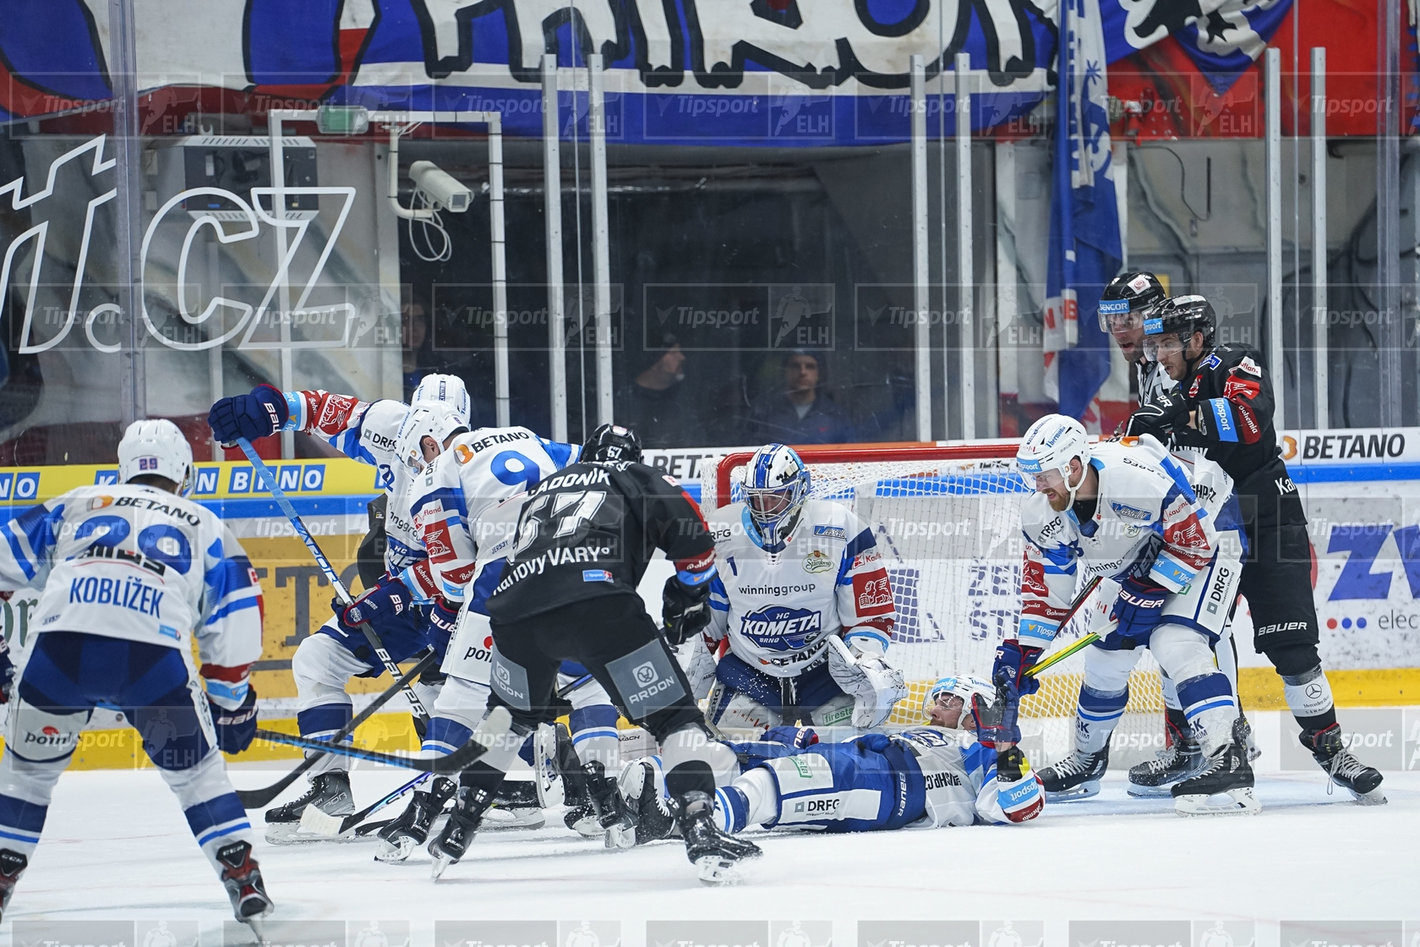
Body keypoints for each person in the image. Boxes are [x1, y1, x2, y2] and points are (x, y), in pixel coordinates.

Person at [420, 423, 762, 884]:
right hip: (598, 605)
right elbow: (696, 540)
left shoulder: (545, 488)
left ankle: (458, 828)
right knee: (675, 719)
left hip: (514, 615)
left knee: (508, 719)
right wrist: (688, 596)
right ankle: (699, 825)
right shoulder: (632, 476)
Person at [0, 420, 271, 932]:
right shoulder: (205, 523)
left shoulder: (79, 501)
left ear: (121, 469)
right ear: (184, 473)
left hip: (60, 654)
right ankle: (242, 874)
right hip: (151, 666)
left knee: (27, 777)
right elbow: (236, 619)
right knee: (196, 776)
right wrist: (230, 701)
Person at [1128, 294, 1385, 803]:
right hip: (1204, 534)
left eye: (1167, 343)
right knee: (1187, 640)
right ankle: (1209, 746)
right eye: (1153, 343)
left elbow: (1249, 423)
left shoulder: (1237, 361)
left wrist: (1185, 410)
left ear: (1197, 339)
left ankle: (1331, 750)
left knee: (1293, 650)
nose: (1158, 353)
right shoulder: (1156, 379)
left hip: (1267, 522)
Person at [207, 375, 489, 837]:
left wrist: (398, 593)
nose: (422, 456)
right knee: (317, 658)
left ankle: (514, 781)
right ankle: (329, 787)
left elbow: (470, 569)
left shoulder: (479, 465)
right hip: (401, 591)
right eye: (414, 443)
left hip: (457, 599)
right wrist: (265, 409)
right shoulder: (385, 426)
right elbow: (316, 407)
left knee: (451, 693)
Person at [993, 414, 1255, 815]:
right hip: (1129, 563)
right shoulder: (1041, 513)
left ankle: (1227, 755)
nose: (1038, 485)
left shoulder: (1137, 482)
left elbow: (1197, 542)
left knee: (1176, 642)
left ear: (1073, 467)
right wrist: (1026, 650)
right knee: (1104, 659)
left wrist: (1150, 590)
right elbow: (1047, 595)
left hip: (1206, 543)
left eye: (1044, 475)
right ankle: (1088, 758)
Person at [1098, 271, 1251, 795]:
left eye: (1129, 319)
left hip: (1214, 507)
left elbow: (1217, 436)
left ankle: (1228, 736)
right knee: (1174, 628)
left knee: (1206, 627)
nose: (1119, 330)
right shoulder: (1149, 364)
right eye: (1110, 320)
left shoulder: (1189, 363)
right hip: (1178, 508)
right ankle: (1190, 741)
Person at [612, 670, 1044, 842]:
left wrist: (1004, 745)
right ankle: (658, 782)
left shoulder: (981, 747)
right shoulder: (926, 731)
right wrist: (808, 736)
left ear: (977, 710)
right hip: (873, 762)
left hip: (898, 786)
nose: (933, 708)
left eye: (947, 700)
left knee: (804, 774)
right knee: (763, 752)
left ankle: (682, 819)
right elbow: (855, 739)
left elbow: (1015, 806)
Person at [686, 443, 907, 732]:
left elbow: (870, 612)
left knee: (848, 755)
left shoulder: (840, 527)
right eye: (757, 499)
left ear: (800, 490)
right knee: (734, 754)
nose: (766, 509)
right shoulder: (720, 533)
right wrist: (689, 678)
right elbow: (708, 617)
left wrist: (864, 661)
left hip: (825, 671)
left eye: (777, 498)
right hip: (750, 670)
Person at [751, 351, 854, 445]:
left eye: (810, 366)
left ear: (819, 374)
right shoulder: (766, 413)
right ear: (785, 372)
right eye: (795, 366)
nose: (802, 372)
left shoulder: (836, 416)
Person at [617, 333, 696, 448]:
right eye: (673, 353)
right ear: (654, 361)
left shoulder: (686, 397)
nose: (681, 357)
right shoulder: (624, 403)